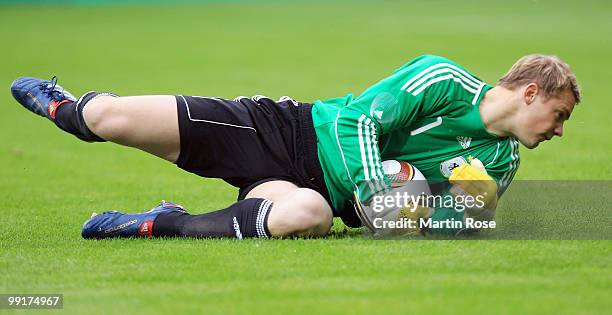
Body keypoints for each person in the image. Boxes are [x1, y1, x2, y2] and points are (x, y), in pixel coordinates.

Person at [9, 54, 580, 239]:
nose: (557, 131)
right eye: (558, 115)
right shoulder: (441, 79)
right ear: (531, 92)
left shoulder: (500, 167)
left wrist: (396, 209)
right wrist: (380, 186)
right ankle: (70, 108)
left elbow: (445, 217)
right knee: (107, 117)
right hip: (284, 131)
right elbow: (354, 123)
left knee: (308, 216)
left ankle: (158, 223)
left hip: (320, 192)